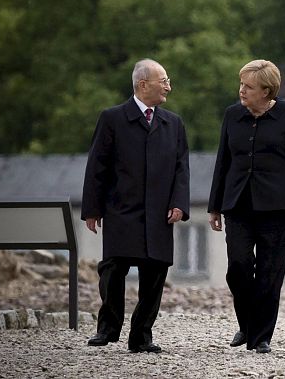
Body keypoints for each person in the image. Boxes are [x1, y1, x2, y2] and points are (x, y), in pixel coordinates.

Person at [82, 58, 190, 353]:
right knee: (113, 269)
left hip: (159, 213)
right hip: (121, 209)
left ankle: (141, 336)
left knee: (154, 275)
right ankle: (108, 327)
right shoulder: (112, 118)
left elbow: (182, 168)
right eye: (163, 80)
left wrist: (179, 203)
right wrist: (92, 208)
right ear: (143, 85)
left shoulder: (174, 124)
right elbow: (97, 167)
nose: (169, 86)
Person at [208, 59, 285, 354]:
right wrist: (214, 207)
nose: (241, 90)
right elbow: (223, 162)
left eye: (248, 86)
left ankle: (260, 337)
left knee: (270, 272)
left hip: (278, 207)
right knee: (238, 268)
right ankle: (247, 324)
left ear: (267, 91)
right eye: (241, 84)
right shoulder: (232, 115)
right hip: (238, 204)